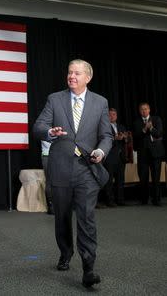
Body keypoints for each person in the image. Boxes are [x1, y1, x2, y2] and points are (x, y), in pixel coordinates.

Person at [33, 59, 113, 288]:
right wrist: (50, 131)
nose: (71, 76)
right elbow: (38, 127)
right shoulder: (54, 99)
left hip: (87, 167)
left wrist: (101, 151)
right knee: (62, 216)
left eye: (77, 73)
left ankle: (89, 268)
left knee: (87, 217)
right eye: (69, 72)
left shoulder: (100, 103)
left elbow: (106, 135)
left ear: (88, 77)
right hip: (60, 167)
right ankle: (65, 252)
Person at [133, 102, 165, 206]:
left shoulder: (156, 119)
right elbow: (136, 137)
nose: (144, 111)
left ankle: (156, 200)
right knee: (143, 178)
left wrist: (151, 128)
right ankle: (144, 200)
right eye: (142, 109)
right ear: (139, 111)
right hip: (143, 155)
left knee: (156, 177)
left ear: (149, 110)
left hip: (156, 153)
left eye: (146, 109)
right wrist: (144, 129)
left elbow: (159, 134)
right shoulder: (136, 122)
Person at [102, 108, 128, 206]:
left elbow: (126, 141)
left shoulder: (121, 127)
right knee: (109, 181)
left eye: (114, 114)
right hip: (110, 157)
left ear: (116, 116)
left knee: (120, 180)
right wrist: (114, 138)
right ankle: (110, 201)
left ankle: (120, 200)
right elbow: (103, 139)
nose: (112, 116)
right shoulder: (104, 127)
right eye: (110, 114)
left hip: (121, 157)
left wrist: (125, 138)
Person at [41, 140, 53, 215]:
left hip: (63, 154)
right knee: (50, 182)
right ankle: (51, 206)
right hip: (47, 154)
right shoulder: (44, 128)